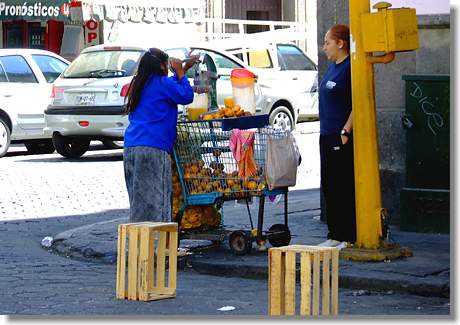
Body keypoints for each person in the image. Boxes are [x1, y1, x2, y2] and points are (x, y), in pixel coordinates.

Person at [123, 48, 198, 223]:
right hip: (153, 149)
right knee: (158, 202)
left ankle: (139, 245)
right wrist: (180, 72)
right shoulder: (163, 83)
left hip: (132, 147)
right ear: (162, 66)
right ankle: (157, 247)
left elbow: (169, 88)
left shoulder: (139, 83)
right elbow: (186, 96)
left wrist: (183, 71)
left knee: (139, 202)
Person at [317, 24, 356, 249]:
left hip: (341, 135)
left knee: (343, 185)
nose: (324, 48)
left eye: (327, 43)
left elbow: (357, 103)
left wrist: (345, 130)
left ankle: (348, 236)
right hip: (326, 134)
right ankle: (334, 234)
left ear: (340, 44)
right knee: (329, 184)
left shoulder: (349, 68)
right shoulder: (332, 67)